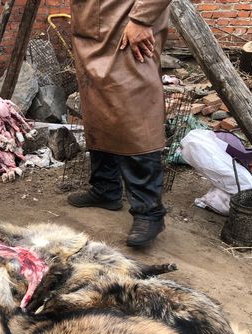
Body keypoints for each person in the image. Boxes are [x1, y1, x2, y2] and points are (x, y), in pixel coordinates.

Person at [68, 0, 171, 247]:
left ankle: (149, 211)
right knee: (98, 113)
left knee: (135, 115)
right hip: (90, 29)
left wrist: (142, 19)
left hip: (126, 24)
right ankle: (106, 189)